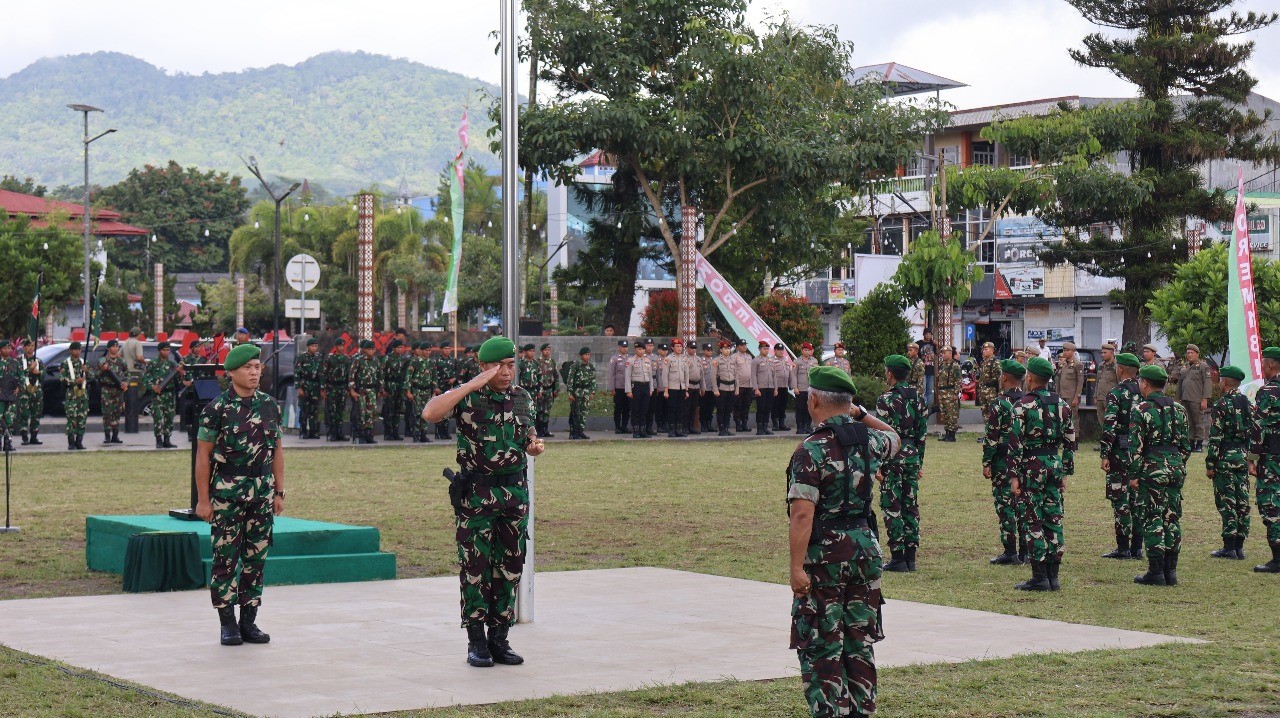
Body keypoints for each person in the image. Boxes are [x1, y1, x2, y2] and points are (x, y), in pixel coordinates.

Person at [422, 336, 545, 668]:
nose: (506, 372)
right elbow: (430, 413)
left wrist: (534, 446)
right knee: (475, 568)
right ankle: (476, 643)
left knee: (509, 567)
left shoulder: (523, 398)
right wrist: (475, 382)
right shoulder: (468, 397)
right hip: (478, 495)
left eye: (509, 365)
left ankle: (499, 640)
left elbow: (528, 436)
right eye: (498, 366)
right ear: (483, 367)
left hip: (514, 495)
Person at [786, 365, 900, 718]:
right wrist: (862, 415)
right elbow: (895, 437)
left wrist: (794, 566)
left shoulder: (811, 450)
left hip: (824, 558)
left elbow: (803, 514)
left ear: (815, 400)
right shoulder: (872, 441)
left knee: (822, 644)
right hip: (865, 553)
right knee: (858, 643)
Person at [194, 343, 285, 646]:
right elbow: (203, 457)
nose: (254, 372)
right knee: (225, 559)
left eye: (257, 367)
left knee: (256, 558)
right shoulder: (215, 410)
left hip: (261, 493)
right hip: (227, 495)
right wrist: (204, 500)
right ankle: (227, 624)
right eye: (248, 367)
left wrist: (279, 491)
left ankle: (249, 621)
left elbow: (277, 451)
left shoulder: (271, 405)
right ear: (231, 372)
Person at [1008, 357, 1076, 591]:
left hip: (1031, 466)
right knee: (1053, 518)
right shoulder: (1063, 405)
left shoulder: (1022, 405)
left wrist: (1013, 476)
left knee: (1033, 520)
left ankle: (1039, 577)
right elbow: (1070, 442)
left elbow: (1014, 444)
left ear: (1029, 378)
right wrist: (1065, 471)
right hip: (1054, 464)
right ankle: (1053, 576)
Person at [1130, 364, 1191, 586]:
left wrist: (1134, 475)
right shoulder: (1180, 409)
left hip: (1151, 469)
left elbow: (1135, 447)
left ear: (1145, 383)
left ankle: (1155, 572)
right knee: (1172, 517)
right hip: (1175, 469)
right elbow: (1186, 446)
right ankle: (1171, 571)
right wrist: (1176, 464)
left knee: (1153, 517)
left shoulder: (1141, 409)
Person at [877, 354, 928, 573]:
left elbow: (880, 435)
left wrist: (878, 463)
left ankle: (898, 557)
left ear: (890, 373)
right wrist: (919, 462)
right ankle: (910, 557)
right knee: (910, 505)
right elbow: (922, 433)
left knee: (892, 504)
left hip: (892, 456)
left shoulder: (885, 399)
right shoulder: (919, 397)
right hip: (912, 455)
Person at [1207, 365, 1255, 560]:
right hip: (1243, 457)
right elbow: (1254, 435)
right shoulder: (1247, 403)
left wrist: (1210, 464)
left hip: (1225, 458)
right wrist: (1252, 460)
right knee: (1242, 501)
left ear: (1225, 382)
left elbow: (1215, 437)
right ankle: (1240, 546)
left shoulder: (1221, 405)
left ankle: (1229, 546)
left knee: (1227, 502)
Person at [1099, 352, 1143, 560]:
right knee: (1138, 499)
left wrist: (1105, 453)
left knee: (1120, 498)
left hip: (1120, 451)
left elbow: (1110, 425)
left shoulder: (1116, 393)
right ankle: (1137, 547)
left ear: (1121, 369)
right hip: (1140, 451)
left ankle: (1123, 547)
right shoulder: (1144, 392)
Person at [983, 359, 1027, 566]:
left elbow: (992, 436)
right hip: (1025, 460)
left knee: (1005, 505)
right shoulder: (1027, 400)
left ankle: (1010, 551)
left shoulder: (1000, 403)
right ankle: (1026, 551)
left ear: (1005, 377)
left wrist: (986, 462)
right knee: (1025, 504)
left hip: (1002, 460)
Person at [1251, 346, 1280, 573]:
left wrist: (1252, 458)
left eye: (1263, 362)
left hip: (1271, 458)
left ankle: (1278, 559)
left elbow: (1257, 428)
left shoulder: (1267, 391)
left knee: (1270, 504)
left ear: (1270, 365)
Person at [141, 342, 183, 448]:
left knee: (169, 418)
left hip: (170, 394)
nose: (166, 352)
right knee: (158, 418)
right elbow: (145, 378)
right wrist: (153, 386)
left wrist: (181, 373)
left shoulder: (172, 364)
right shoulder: (153, 363)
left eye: (168, 350)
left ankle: (167, 440)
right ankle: (159, 440)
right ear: (159, 351)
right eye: (164, 350)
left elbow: (179, 380)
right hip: (158, 395)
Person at [1171, 344, 1213, 452]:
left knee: (1198, 422)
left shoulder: (1203, 366)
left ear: (1197, 354)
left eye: (1192, 353)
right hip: (1185, 398)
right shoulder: (1184, 366)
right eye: (1188, 353)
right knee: (1188, 422)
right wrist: (1177, 398)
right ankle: (1190, 443)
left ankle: (1199, 444)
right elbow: (1180, 383)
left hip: (1197, 399)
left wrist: (1205, 399)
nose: (1189, 355)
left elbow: (1207, 383)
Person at [348, 339, 383, 444]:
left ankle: (369, 435)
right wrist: (352, 390)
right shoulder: (358, 360)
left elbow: (380, 376)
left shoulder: (376, 361)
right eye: (369, 349)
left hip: (372, 390)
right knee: (362, 413)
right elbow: (351, 376)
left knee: (371, 413)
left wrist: (380, 389)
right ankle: (362, 435)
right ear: (364, 350)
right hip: (361, 390)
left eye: (373, 349)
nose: (371, 351)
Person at [96, 339, 128, 445]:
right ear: (109, 348)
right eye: (113, 347)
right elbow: (96, 375)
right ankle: (107, 436)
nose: (115, 349)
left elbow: (128, 374)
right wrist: (102, 369)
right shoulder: (103, 360)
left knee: (117, 412)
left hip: (118, 390)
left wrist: (126, 383)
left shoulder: (121, 361)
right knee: (107, 413)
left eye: (117, 347)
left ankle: (115, 435)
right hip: (107, 389)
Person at [60, 341, 88, 450]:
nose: (78, 351)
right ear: (71, 351)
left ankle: (79, 442)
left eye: (79, 349)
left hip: (83, 395)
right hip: (72, 395)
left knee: (82, 418)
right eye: (75, 349)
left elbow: (92, 376)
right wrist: (75, 381)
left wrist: (87, 372)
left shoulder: (83, 362)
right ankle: (71, 442)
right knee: (71, 419)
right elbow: (62, 378)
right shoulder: (66, 363)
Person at [294, 338, 325, 440]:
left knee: (314, 410)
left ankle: (313, 431)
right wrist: (299, 388)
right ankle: (303, 431)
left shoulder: (319, 358)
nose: (314, 348)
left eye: (316, 346)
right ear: (308, 347)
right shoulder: (302, 357)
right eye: (312, 346)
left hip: (315, 387)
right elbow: (297, 373)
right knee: (304, 410)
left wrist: (321, 388)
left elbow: (321, 374)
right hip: (305, 386)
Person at [324, 337, 351, 442]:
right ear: (336, 346)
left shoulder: (347, 359)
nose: (341, 347)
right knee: (332, 410)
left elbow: (349, 374)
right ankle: (333, 433)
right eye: (340, 345)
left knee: (341, 410)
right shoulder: (330, 358)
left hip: (342, 387)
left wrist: (349, 388)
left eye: (343, 345)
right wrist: (324, 388)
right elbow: (324, 374)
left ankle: (340, 433)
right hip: (332, 387)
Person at [17, 340, 44, 446]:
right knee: (24, 414)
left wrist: (38, 372)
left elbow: (43, 374)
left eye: (32, 346)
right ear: (24, 347)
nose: (30, 348)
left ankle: (34, 437)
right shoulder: (19, 360)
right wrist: (30, 369)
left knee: (36, 414)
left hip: (37, 392)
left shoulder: (38, 361)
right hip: (24, 392)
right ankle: (24, 437)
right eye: (28, 346)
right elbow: (18, 374)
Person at [625, 342, 654, 439]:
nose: (641, 351)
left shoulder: (647, 360)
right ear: (635, 350)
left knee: (644, 409)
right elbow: (628, 376)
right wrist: (628, 390)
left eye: (642, 349)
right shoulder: (631, 360)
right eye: (638, 349)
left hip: (646, 386)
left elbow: (650, 375)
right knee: (635, 409)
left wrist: (651, 389)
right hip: (636, 387)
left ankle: (643, 430)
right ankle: (636, 431)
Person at [381, 340, 408, 441]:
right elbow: (382, 374)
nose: (400, 349)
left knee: (397, 411)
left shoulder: (403, 359)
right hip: (389, 387)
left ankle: (395, 432)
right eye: (398, 347)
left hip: (399, 387)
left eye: (401, 347)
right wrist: (382, 389)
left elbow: (405, 375)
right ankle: (388, 433)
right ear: (393, 348)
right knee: (389, 411)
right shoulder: (387, 358)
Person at [1054, 341, 1085, 432]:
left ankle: (1075, 438)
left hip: (1071, 396)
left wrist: (1077, 396)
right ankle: (1065, 436)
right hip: (1061, 394)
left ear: (1073, 351)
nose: (1065, 352)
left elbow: (1080, 381)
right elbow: (1058, 379)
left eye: (1067, 350)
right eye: (1064, 350)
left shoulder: (1077, 364)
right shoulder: (1063, 364)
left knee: (1073, 417)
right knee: (1062, 416)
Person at [566, 347, 596, 440]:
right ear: (581, 355)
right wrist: (570, 393)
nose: (587, 356)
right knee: (575, 412)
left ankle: (581, 431)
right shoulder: (576, 365)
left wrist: (592, 392)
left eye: (588, 355)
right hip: (577, 391)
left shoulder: (591, 366)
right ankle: (574, 432)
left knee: (584, 412)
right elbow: (570, 380)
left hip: (586, 392)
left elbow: (593, 380)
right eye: (585, 354)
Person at [663, 338, 691, 437]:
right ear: (672, 348)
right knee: (672, 409)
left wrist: (686, 389)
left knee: (680, 409)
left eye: (680, 346)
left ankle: (679, 430)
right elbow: (665, 375)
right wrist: (666, 390)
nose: (679, 348)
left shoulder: (684, 358)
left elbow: (687, 374)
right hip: (672, 388)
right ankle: (671, 430)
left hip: (682, 388)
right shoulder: (668, 359)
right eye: (677, 346)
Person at [935, 346, 962, 442]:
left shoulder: (955, 365)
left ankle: (952, 434)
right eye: (942, 353)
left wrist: (955, 393)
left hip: (950, 392)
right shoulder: (942, 365)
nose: (942, 354)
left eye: (945, 353)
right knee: (945, 414)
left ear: (950, 354)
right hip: (942, 393)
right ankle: (947, 433)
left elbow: (958, 381)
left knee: (952, 414)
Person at [793, 343, 821, 434]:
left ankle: (807, 426)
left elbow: (817, 374)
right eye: (805, 350)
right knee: (800, 409)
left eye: (809, 350)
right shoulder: (797, 361)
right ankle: (800, 427)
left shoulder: (814, 361)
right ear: (802, 351)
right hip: (801, 389)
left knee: (810, 409)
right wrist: (795, 387)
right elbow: (793, 376)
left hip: (811, 389)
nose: (807, 352)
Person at [1095, 342, 1119, 443]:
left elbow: (1119, 382)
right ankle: (1104, 441)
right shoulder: (1101, 365)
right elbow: (1098, 381)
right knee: (1102, 421)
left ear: (1111, 353)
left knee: (1111, 421)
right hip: (1100, 397)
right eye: (1102, 353)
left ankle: (1113, 441)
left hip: (1111, 398)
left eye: (1105, 353)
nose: (1102, 355)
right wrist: (1095, 395)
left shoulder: (1116, 365)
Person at [753, 340, 779, 436]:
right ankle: (759, 428)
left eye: (767, 349)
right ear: (760, 349)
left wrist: (776, 388)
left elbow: (774, 375)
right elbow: (753, 375)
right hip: (761, 388)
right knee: (761, 408)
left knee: (768, 408)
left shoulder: (771, 360)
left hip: (770, 387)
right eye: (764, 349)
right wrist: (756, 388)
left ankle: (765, 427)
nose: (766, 351)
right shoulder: (756, 360)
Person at [712, 341, 737, 436]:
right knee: (721, 409)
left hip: (731, 388)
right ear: (721, 350)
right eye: (725, 348)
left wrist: (737, 388)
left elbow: (736, 374)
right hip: (721, 388)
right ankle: (721, 428)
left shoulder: (732, 360)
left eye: (728, 348)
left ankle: (726, 428)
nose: (727, 350)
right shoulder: (716, 361)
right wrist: (715, 389)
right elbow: (713, 376)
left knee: (728, 409)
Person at [607, 340, 631, 434]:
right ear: (618, 348)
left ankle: (624, 427)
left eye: (626, 347)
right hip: (618, 387)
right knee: (618, 408)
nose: (624, 348)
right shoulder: (614, 359)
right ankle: (617, 427)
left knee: (627, 408)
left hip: (628, 388)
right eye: (622, 347)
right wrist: (612, 388)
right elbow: (611, 374)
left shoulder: (630, 359)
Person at [535, 344, 559, 438]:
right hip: (540, 390)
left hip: (549, 389)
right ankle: (539, 430)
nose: (547, 351)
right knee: (539, 410)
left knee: (547, 411)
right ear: (542, 351)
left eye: (549, 349)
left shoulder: (552, 362)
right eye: (545, 350)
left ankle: (545, 430)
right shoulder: (537, 362)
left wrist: (556, 389)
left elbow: (556, 376)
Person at [732, 339, 755, 433]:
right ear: (737, 347)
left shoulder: (749, 356)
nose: (744, 346)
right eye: (742, 345)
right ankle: (738, 424)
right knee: (738, 405)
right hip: (739, 385)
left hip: (749, 385)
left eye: (745, 345)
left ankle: (744, 424)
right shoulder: (734, 357)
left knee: (746, 405)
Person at [771, 343, 794, 432]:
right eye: (779, 350)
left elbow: (789, 372)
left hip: (784, 386)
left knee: (783, 406)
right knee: (775, 405)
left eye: (782, 350)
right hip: (776, 387)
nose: (781, 352)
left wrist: (791, 384)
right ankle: (775, 424)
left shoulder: (786, 360)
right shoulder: (771, 360)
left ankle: (782, 423)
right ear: (775, 350)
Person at [976, 341, 1001, 421]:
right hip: (983, 391)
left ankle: (993, 432)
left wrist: (1000, 392)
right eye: (983, 349)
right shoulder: (984, 362)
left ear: (992, 350)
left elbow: (1000, 378)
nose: (984, 351)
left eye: (986, 349)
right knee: (985, 413)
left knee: (993, 414)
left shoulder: (996, 362)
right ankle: (987, 431)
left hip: (992, 392)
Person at [649, 343, 669, 434]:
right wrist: (657, 386)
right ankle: (659, 425)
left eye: (666, 350)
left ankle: (665, 424)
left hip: (668, 388)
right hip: (660, 388)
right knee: (659, 408)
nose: (665, 351)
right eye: (663, 350)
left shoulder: (669, 360)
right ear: (659, 350)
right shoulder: (656, 360)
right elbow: (656, 375)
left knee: (666, 407)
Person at [699, 342, 717, 434]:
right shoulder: (701, 361)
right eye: (707, 350)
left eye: (711, 350)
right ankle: (703, 425)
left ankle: (709, 424)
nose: (709, 352)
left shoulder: (715, 361)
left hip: (713, 388)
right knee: (703, 408)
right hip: (704, 388)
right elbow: (700, 375)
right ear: (703, 351)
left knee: (711, 408)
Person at [917, 329, 937, 408]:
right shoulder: (919, 343)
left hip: (931, 369)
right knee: (923, 389)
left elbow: (938, 353)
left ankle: (928, 406)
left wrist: (936, 345)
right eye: (927, 334)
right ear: (924, 334)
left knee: (929, 389)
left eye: (930, 334)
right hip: (922, 369)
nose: (929, 336)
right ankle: (923, 406)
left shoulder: (933, 343)